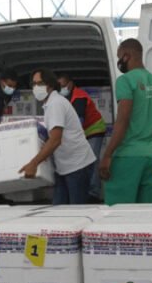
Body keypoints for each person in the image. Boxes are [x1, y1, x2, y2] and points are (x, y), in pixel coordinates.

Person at [99, 39, 152, 205]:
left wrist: (108, 154)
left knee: (119, 215)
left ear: (126, 56)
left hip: (127, 157)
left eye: (119, 57)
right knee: (146, 216)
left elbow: (123, 119)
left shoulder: (125, 81)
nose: (119, 62)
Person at [21, 70, 97, 204]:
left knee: (75, 212)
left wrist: (34, 163)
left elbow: (56, 140)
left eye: (40, 83)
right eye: (33, 84)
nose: (36, 87)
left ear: (50, 85)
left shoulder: (55, 104)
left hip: (77, 165)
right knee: (59, 210)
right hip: (65, 166)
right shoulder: (50, 104)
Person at [58, 72, 107, 201]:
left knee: (91, 160)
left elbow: (78, 122)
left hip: (94, 129)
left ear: (70, 84)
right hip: (84, 131)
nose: (61, 88)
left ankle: (93, 193)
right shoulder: (63, 98)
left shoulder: (79, 97)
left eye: (63, 85)